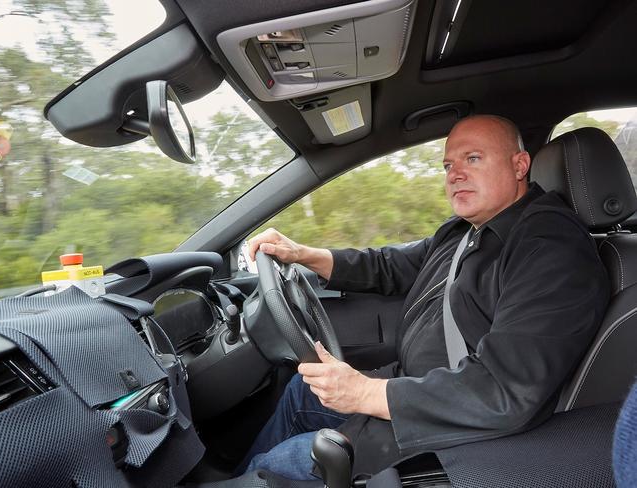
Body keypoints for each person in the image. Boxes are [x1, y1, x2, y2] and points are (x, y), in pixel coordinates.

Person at [239, 115, 610, 480]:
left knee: (277, 464)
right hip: (415, 383)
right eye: (449, 164)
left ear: (519, 165)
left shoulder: (550, 248)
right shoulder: (464, 230)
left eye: (473, 159)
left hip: (452, 423)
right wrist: (301, 253)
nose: (455, 174)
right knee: (301, 391)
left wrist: (364, 393)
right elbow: (392, 265)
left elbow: (506, 390)